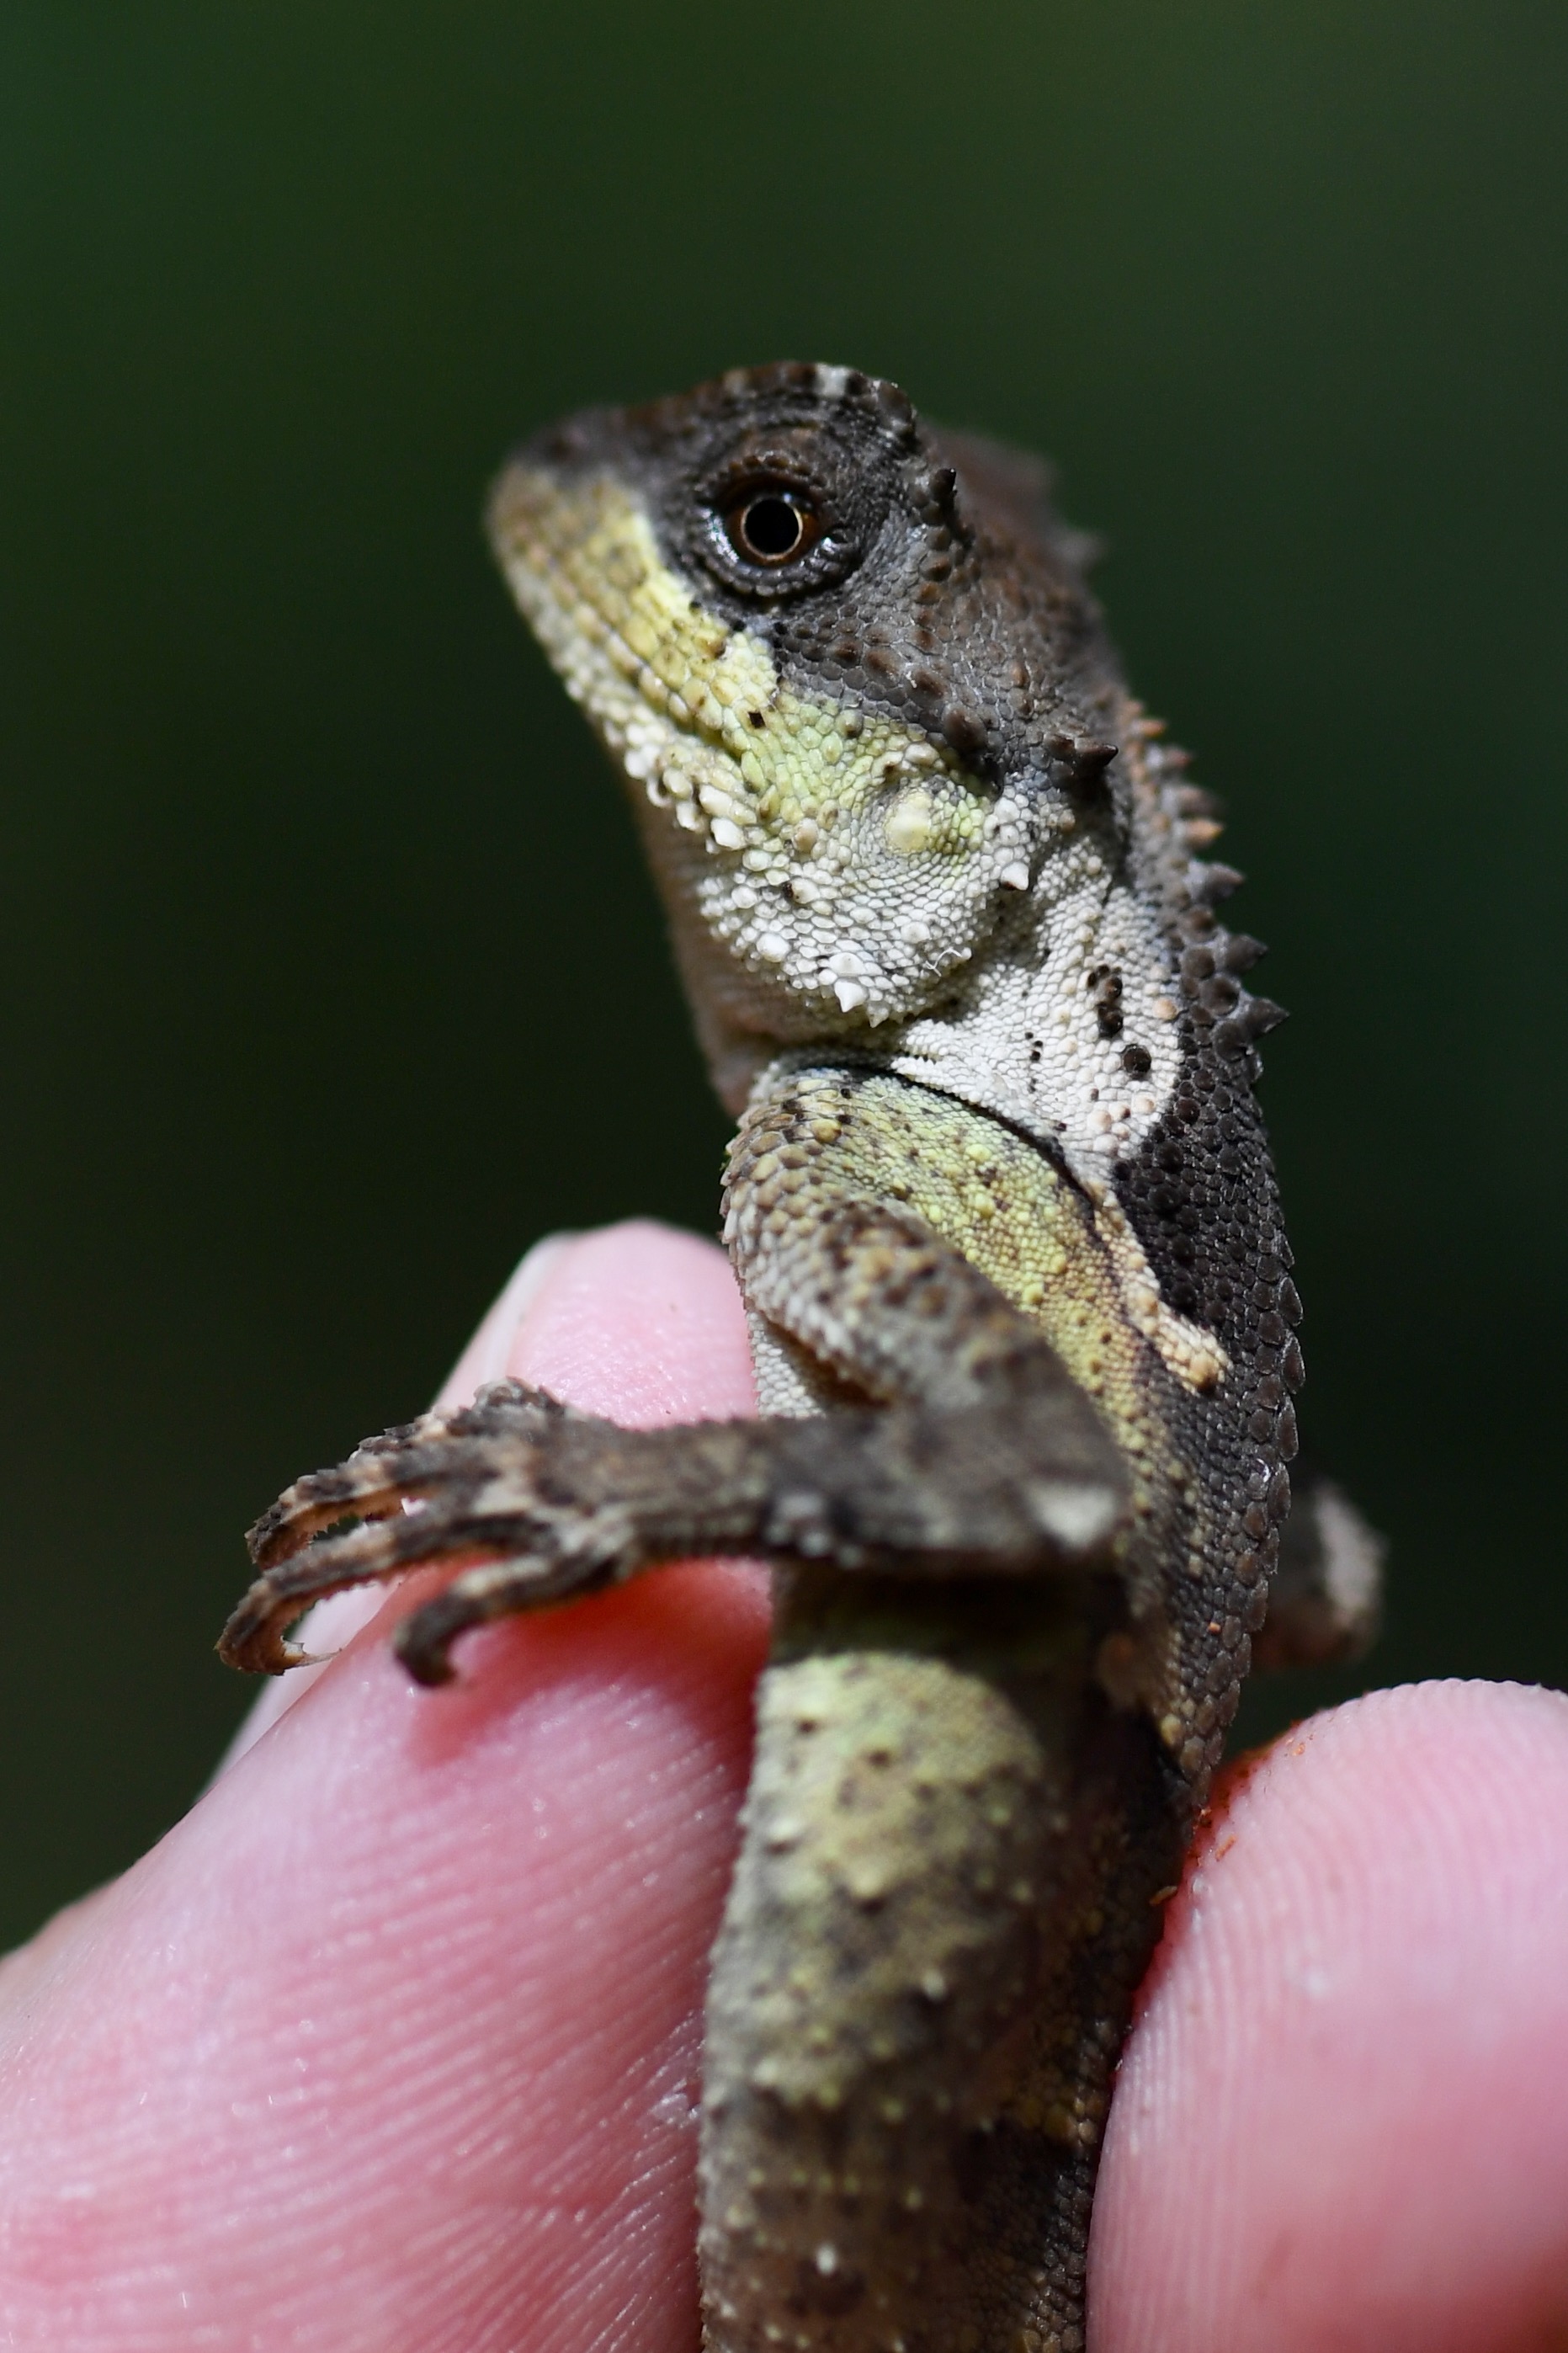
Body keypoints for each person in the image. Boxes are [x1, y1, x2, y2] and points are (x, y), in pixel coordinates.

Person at [1, 1222, 1563, 2351]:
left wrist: (614, 1488)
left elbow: (1052, 1481)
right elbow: (1321, 1584)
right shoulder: (1083, 1260)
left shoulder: (893, 1180)